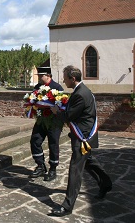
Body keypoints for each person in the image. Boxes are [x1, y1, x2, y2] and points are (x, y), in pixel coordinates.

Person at [49, 65, 112, 217]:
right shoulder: (81, 91)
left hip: (82, 137)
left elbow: (69, 116)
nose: (63, 80)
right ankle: (106, 183)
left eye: (65, 78)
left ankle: (67, 206)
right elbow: (75, 112)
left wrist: (56, 111)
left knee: (75, 170)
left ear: (73, 78)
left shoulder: (80, 94)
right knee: (89, 162)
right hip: (85, 134)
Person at [29, 67, 64, 181]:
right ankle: (40, 165)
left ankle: (53, 169)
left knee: (53, 143)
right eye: (38, 75)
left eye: (41, 75)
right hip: (41, 119)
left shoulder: (57, 87)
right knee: (35, 140)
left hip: (54, 121)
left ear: (48, 76)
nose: (39, 77)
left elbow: (61, 104)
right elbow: (32, 99)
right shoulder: (37, 87)